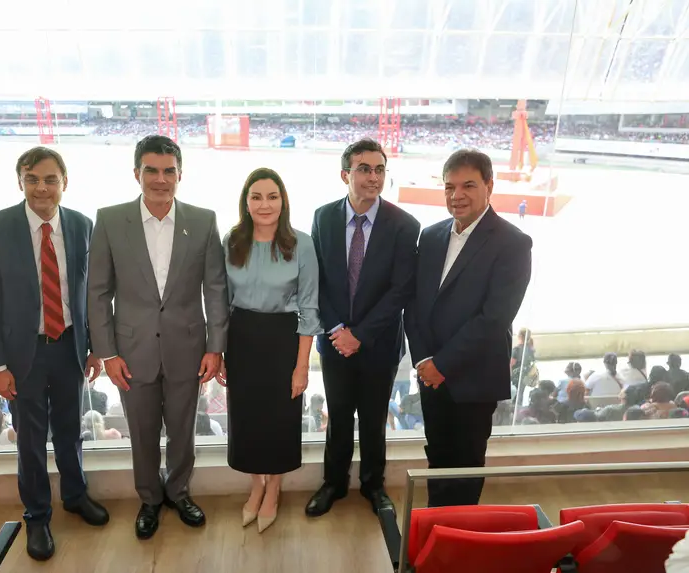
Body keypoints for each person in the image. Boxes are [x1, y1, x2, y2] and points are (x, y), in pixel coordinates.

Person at [88, 135, 228, 540]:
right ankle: (150, 499)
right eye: (152, 170)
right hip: (131, 351)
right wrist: (107, 353)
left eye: (169, 171)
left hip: (189, 348)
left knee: (183, 431)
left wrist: (215, 347)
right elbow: (98, 292)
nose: (161, 179)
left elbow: (215, 289)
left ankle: (179, 492)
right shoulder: (110, 220)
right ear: (137, 173)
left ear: (180, 174)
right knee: (142, 431)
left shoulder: (202, 221)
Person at [0, 146, 107, 561]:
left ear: (65, 182)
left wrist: (95, 348)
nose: (41, 188)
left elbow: (89, 293)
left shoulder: (82, 225)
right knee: (30, 441)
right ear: (20, 182)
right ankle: (37, 516)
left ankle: (75, 495)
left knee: (71, 430)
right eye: (32, 179)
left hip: (69, 346)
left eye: (50, 179)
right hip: (22, 355)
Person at [406, 148, 533, 507]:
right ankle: (436, 526)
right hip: (431, 376)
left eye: (468, 186)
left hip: (473, 380)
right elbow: (413, 304)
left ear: (489, 186)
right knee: (437, 457)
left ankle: (459, 534)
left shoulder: (513, 243)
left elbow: (494, 318)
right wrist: (423, 361)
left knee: (465, 466)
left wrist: (442, 365)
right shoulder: (430, 236)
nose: (456, 195)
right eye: (449, 187)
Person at [307, 138, 420, 518]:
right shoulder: (323, 217)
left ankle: (374, 486)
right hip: (334, 342)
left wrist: (360, 335)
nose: (373, 177)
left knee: (373, 420)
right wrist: (338, 330)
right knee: (338, 417)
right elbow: (317, 281)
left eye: (379, 170)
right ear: (345, 175)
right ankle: (333, 483)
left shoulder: (404, 225)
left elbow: (401, 290)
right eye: (364, 169)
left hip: (379, 344)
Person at [215, 167, 321, 533]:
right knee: (246, 417)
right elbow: (222, 302)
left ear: (283, 201)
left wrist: (302, 366)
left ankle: (273, 487)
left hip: (283, 340)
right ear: (245, 202)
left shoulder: (301, 243)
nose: (265, 204)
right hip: (242, 339)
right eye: (256, 197)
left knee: (279, 419)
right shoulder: (232, 241)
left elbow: (309, 308)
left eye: (272, 197)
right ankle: (256, 484)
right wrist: (221, 351)